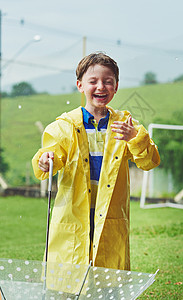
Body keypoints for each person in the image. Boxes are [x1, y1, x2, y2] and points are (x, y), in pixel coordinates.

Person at [32, 52, 160, 272]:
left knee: (106, 278)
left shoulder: (127, 126)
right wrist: (44, 161)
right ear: (80, 85)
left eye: (108, 81)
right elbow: (50, 157)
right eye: (93, 81)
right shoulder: (63, 126)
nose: (101, 87)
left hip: (110, 212)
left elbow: (149, 162)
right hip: (74, 212)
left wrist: (135, 139)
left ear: (116, 86)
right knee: (69, 275)